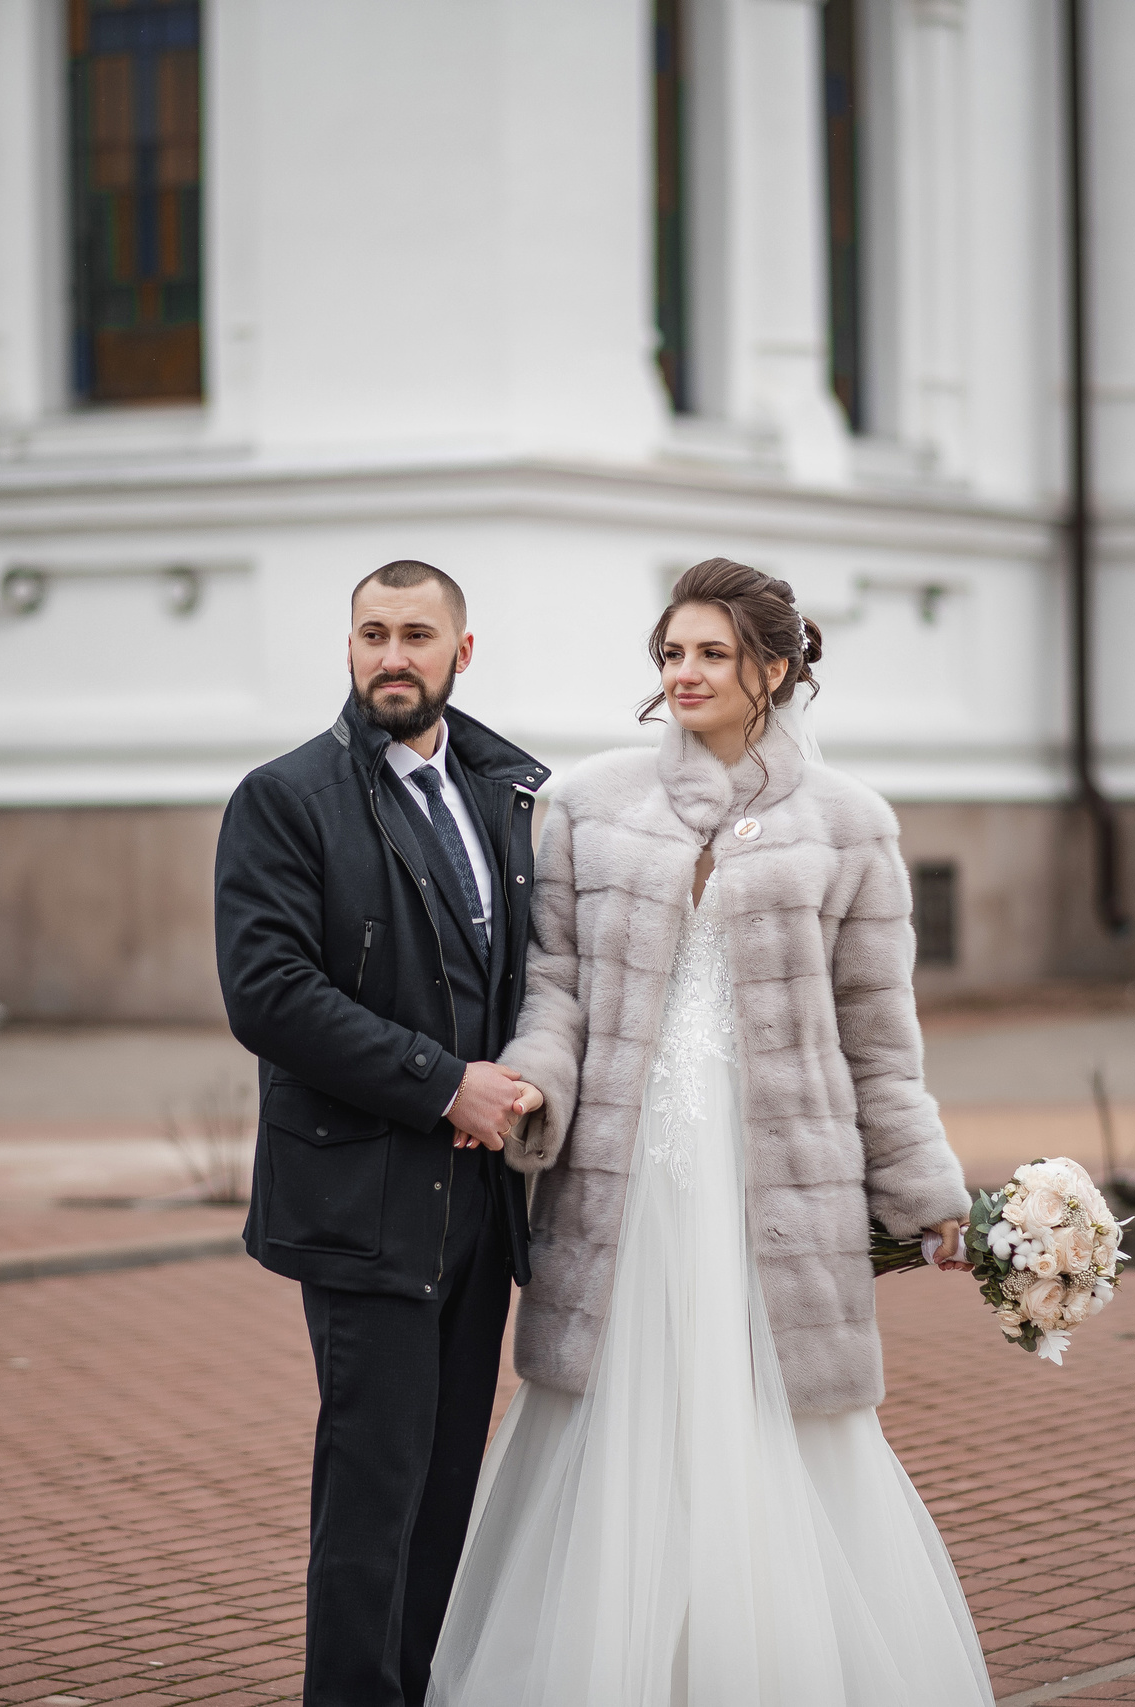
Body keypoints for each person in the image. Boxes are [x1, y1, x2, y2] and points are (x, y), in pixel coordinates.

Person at [429, 558, 995, 1704]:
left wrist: (927, 1192)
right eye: (671, 653)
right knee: (614, 1411)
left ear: (773, 671)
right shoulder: (590, 804)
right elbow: (556, 988)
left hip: (778, 1179)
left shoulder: (848, 827)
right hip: (623, 1177)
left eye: (711, 654)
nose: (683, 674)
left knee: (772, 1412)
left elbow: (879, 1038)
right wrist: (536, 1081)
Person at [215, 560, 548, 1707]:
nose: (391, 656)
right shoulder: (285, 798)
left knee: (447, 1481)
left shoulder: (509, 793)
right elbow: (268, 994)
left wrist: (517, 1089)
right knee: (374, 1486)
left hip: (482, 1208)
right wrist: (439, 1083)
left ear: (464, 651)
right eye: (371, 633)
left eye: (416, 633)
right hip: (361, 1203)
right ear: (348, 648)